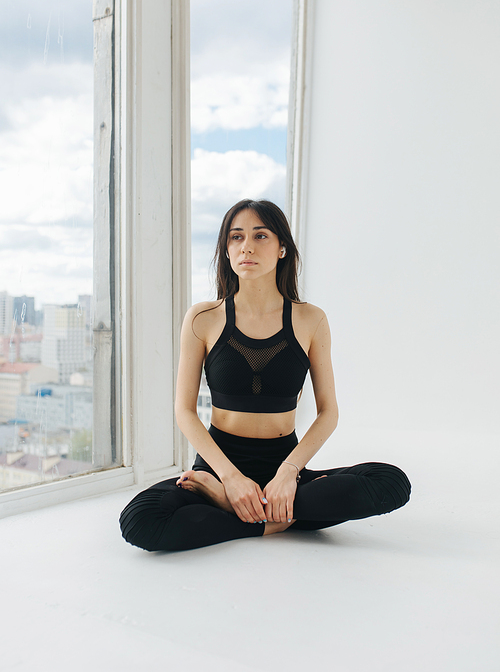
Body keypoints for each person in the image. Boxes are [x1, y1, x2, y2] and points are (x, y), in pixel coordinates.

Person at [120, 199, 411, 551]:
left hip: (285, 468)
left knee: (391, 482)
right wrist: (228, 481)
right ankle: (272, 519)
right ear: (226, 250)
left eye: (260, 236)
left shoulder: (310, 320)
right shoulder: (203, 318)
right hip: (218, 468)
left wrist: (289, 473)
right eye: (236, 237)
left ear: (282, 247)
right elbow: (184, 410)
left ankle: (244, 512)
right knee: (140, 521)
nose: (247, 246)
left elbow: (328, 413)